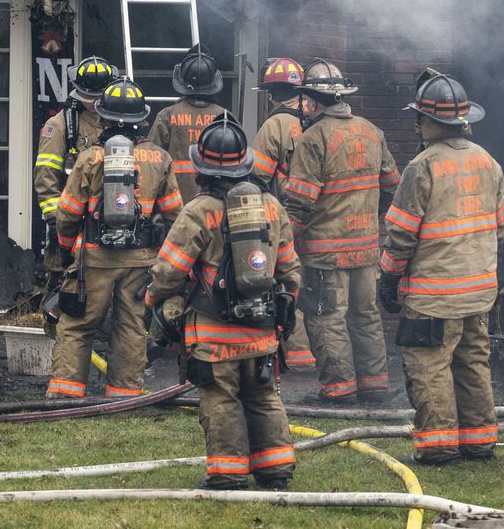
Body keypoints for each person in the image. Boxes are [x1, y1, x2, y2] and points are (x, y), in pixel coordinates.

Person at [146, 113, 302, 490]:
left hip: (214, 335)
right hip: (263, 329)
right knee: (264, 395)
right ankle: (275, 469)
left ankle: (228, 473)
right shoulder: (270, 206)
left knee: (221, 398)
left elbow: (170, 271)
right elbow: (290, 269)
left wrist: (152, 298)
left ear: (201, 168)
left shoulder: (199, 211)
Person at [379, 70, 504, 465]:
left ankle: (438, 446)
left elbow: (401, 235)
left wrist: (388, 277)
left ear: (430, 121)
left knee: (430, 366)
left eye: (419, 116)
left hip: (434, 296)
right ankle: (480, 441)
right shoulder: (489, 162)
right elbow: (500, 227)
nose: (416, 123)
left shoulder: (422, 167)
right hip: (480, 291)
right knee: (473, 363)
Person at [47, 78, 183, 398]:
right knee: (132, 327)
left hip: (93, 259)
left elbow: (67, 214)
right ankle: (123, 394)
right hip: (140, 262)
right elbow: (175, 215)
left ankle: (66, 393)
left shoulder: (90, 157)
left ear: (103, 116)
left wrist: (66, 253)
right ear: (142, 119)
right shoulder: (159, 159)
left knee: (78, 325)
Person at [283, 58, 399, 403]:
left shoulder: (313, 138)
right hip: (366, 249)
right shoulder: (372, 131)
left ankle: (339, 389)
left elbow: (299, 203)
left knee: (326, 318)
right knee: (365, 316)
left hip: (324, 253)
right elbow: (392, 185)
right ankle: (374, 384)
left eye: (305, 99)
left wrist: (284, 244)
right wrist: (369, 214)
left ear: (313, 101)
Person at [34, 56, 116, 332]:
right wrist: (55, 223)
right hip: (70, 224)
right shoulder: (60, 126)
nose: (93, 102)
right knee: (63, 292)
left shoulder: (118, 120)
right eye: (88, 96)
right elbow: (45, 177)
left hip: (110, 224)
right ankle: (57, 353)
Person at [250, 56, 315, 370]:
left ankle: (298, 354)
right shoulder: (318, 119)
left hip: (287, 219)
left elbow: (257, 179)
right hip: (324, 218)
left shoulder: (274, 125)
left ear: (272, 94)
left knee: (288, 280)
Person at [148, 43, 227, 203]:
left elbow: (151, 162)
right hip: (216, 207)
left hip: (174, 207)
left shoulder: (167, 116)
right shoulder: (225, 117)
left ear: (181, 80)